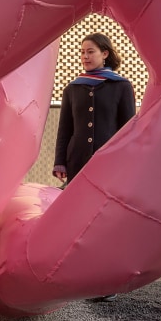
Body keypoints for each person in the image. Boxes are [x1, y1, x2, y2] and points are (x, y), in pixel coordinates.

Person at [52, 32, 136, 302]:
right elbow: (65, 129)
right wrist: (60, 161)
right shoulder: (72, 88)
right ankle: (81, 277)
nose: (85, 57)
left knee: (105, 222)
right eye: (82, 52)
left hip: (109, 165)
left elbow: (128, 129)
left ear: (105, 54)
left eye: (90, 52)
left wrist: (126, 165)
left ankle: (105, 281)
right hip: (77, 164)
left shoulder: (121, 87)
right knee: (80, 222)